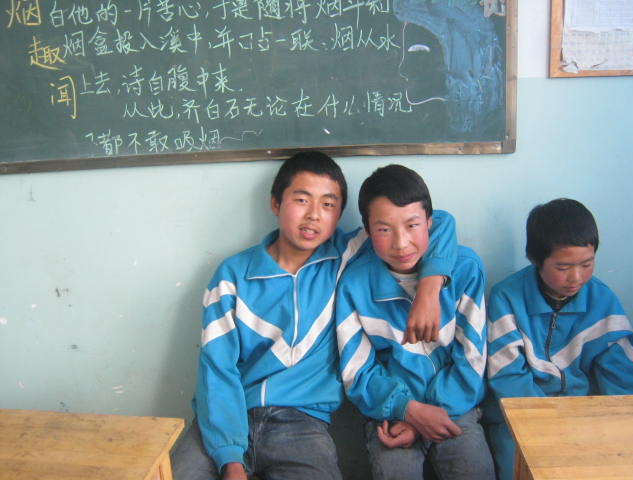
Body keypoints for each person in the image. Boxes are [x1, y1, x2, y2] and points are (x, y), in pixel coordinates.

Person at [170, 152, 458, 480]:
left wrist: (429, 289)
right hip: (224, 420)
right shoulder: (232, 276)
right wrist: (230, 461)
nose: (313, 215)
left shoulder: (347, 254)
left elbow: (440, 221)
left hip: (301, 425)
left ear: (339, 215)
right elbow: (217, 370)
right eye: (302, 200)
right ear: (276, 203)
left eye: (328, 204)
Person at [335, 164, 495, 480]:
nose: (401, 243)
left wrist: (430, 414)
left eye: (412, 225)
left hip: (456, 405)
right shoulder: (354, 286)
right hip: (391, 410)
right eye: (384, 230)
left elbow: (472, 359)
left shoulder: (465, 269)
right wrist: (409, 411)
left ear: (430, 223)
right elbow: (358, 373)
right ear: (367, 231)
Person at [485, 198, 633, 480]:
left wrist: (618, 425)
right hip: (519, 416)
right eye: (563, 267)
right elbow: (507, 376)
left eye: (587, 264)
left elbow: (623, 379)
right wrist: (549, 423)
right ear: (535, 259)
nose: (576, 277)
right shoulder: (507, 298)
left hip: (583, 414)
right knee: (521, 468)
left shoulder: (602, 301)